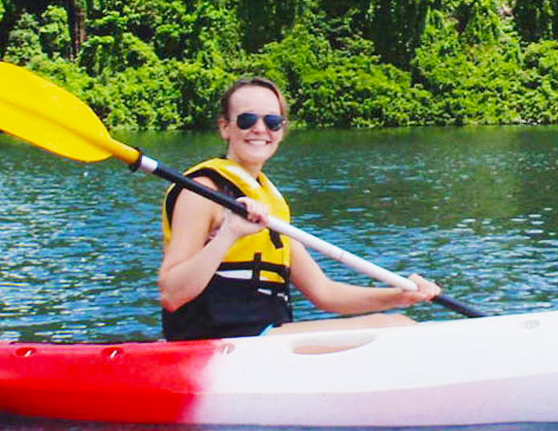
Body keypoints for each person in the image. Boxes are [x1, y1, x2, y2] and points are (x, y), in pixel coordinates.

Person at [158, 76, 442, 340]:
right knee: (396, 329)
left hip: (267, 339)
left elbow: (324, 293)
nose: (260, 129)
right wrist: (228, 234)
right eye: (246, 120)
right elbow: (172, 294)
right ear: (225, 127)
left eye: (272, 121)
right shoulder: (203, 191)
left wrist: (400, 295)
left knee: (400, 321)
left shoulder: (269, 203)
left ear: (281, 130)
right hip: (217, 341)